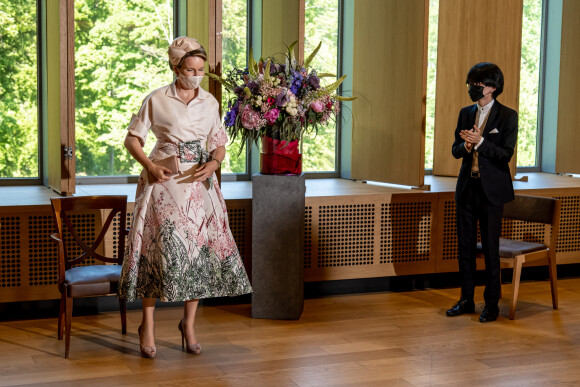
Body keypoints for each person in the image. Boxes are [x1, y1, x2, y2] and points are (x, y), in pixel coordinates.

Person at [117, 36, 252, 358]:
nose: (195, 75)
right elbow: (132, 139)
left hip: (200, 184)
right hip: (164, 182)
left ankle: (188, 324)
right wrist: (149, 165)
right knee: (158, 248)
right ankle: (146, 324)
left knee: (198, 252)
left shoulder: (210, 102)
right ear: (175, 68)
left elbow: (219, 140)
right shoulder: (156, 99)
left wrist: (215, 162)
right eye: (189, 69)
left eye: (201, 70)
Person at [446, 62, 518, 323]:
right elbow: (455, 150)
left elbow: (505, 155)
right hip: (467, 188)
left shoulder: (507, 116)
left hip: (492, 192)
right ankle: (466, 300)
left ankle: (491, 304)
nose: (472, 89)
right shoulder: (466, 113)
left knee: (490, 249)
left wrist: (482, 142)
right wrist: (466, 144)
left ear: (492, 87)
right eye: (471, 84)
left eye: (477, 85)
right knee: (464, 248)